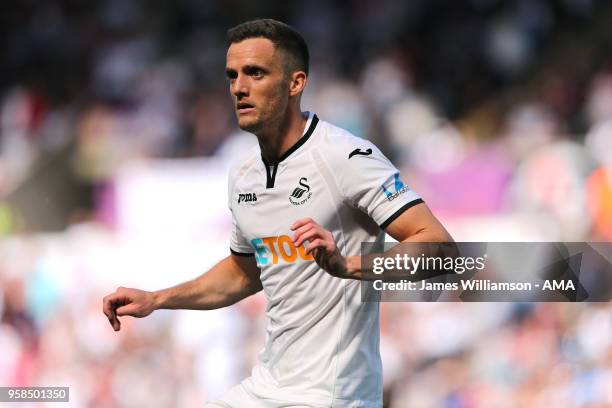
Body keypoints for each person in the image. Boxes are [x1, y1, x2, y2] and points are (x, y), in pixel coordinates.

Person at [102, 19, 453, 407]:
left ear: (295, 83)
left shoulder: (346, 156)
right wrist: (157, 299)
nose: (239, 87)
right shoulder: (244, 175)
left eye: (255, 73)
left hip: (334, 395)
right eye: (232, 75)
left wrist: (348, 265)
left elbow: (439, 247)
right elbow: (243, 272)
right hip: (267, 387)